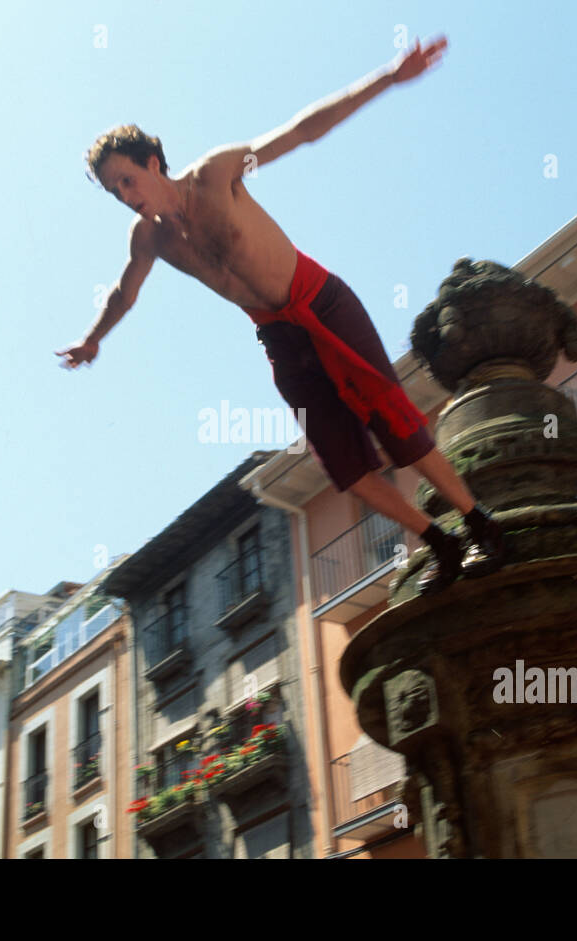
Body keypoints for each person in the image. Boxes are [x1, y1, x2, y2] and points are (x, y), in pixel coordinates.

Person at [58, 35, 502, 595]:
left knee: (392, 421)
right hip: (279, 338)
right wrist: (93, 338)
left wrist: (389, 76)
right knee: (345, 466)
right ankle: (442, 543)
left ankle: (480, 523)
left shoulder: (215, 175)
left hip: (321, 302)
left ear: (152, 162)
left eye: (127, 179)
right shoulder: (148, 238)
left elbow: (301, 132)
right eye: (112, 190)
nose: (124, 195)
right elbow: (124, 292)